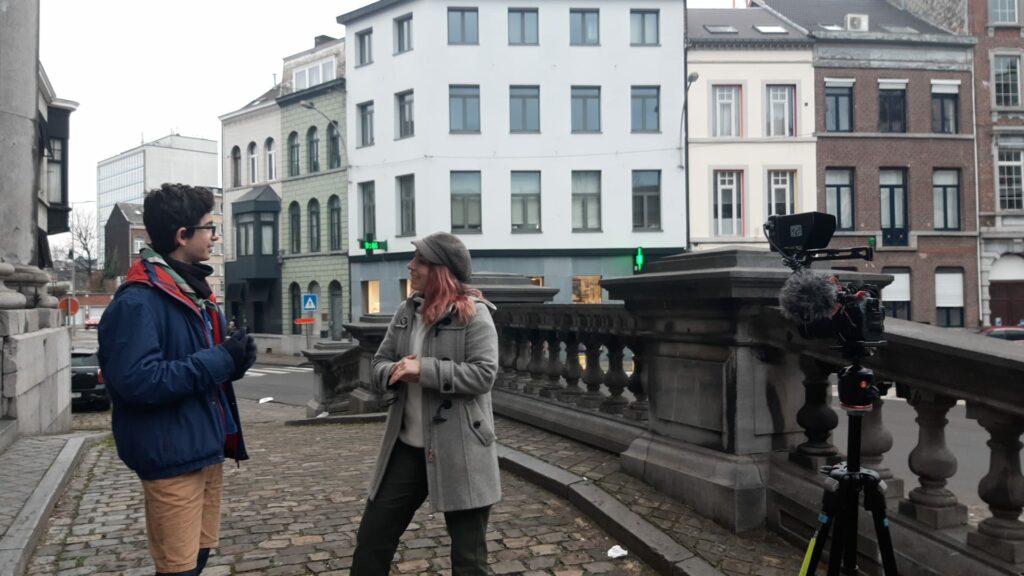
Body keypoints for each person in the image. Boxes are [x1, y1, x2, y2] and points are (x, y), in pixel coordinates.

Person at [98, 183, 257, 576]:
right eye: (209, 227)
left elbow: (201, 367)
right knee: (178, 569)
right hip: (171, 455)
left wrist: (236, 360)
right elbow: (137, 381)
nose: (215, 236)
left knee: (197, 559)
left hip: (204, 446)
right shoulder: (138, 301)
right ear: (182, 235)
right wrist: (220, 359)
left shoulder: (194, 292)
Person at [353, 232, 500, 576]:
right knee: (372, 539)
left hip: (462, 450)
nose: (410, 266)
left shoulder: (474, 315)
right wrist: (394, 371)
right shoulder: (407, 312)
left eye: (419, 260)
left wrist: (425, 370)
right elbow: (378, 362)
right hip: (406, 448)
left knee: (468, 560)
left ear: (440, 269)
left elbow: (484, 375)